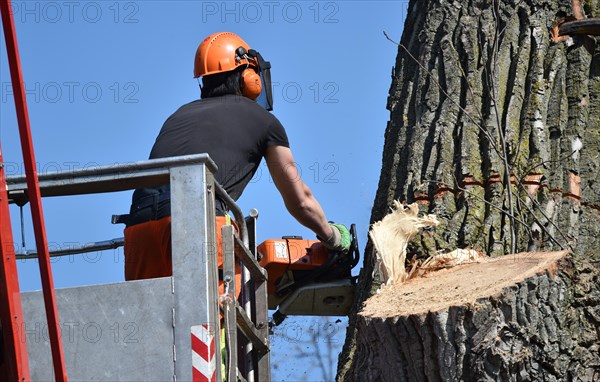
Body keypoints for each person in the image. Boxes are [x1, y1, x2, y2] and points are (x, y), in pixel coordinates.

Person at [121, 31, 350, 285]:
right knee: (213, 321)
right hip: (199, 224)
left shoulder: (178, 116)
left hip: (139, 230)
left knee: (152, 319)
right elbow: (300, 202)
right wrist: (332, 237)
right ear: (250, 78)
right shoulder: (264, 121)